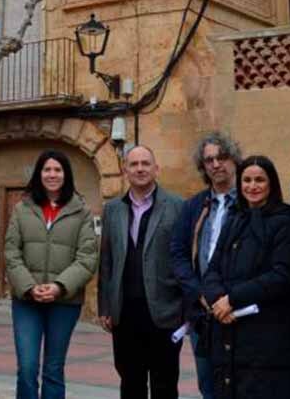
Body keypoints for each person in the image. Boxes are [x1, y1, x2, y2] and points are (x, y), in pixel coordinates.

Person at [201, 156, 290, 399]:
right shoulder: (235, 218)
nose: (252, 186)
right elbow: (212, 268)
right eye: (246, 180)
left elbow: (282, 274)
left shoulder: (285, 220)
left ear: (271, 183)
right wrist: (218, 300)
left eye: (259, 180)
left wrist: (233, 299)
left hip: (269, 338)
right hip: (228, 332)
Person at [4, 149, 99, 399]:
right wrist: (28, 286)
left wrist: (58, 286)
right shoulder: (22, 208)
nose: (52, 174)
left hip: (64, 302)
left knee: (54, 369)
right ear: (39, 174)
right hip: (27, 301)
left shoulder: (81, 211)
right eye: (47, 169)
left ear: (66, 175)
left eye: (58, 170)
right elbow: (11, 253)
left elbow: (87, 258)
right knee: (27, 367)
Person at [98, 145, 186, 399]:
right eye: (134, 164)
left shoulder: (177, 206)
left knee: (165, 384)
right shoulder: (113, 209)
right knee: (130, 383)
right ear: (125, 170)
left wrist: (186, 307)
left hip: (165, 311)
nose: (140, 169)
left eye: (145, 163)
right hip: (125, 313)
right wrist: (105, 305)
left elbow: (185, 259)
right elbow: (107, 260)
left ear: (156, 169)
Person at [170, 132, 242, 399]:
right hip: (202, 313)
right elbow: (177, 253)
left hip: (237, 308)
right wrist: (199, 293)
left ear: (234, 160)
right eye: (208, 160)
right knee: (208, 385)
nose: (215, 164)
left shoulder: (248, 202)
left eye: (221, 157)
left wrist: (230, 297)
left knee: (239, 385)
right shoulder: (193, 206)